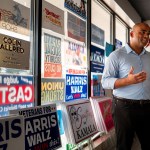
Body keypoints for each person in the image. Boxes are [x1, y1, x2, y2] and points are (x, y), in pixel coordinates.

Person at [101, 22, 150, 150]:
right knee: (124, 146)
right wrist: (127, 81)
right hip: (124, 109)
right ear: (132, 34)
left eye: (148, 34)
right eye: (143, 32)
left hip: (147, 107)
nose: (146, 36)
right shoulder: (116, 55)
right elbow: (105, 81)